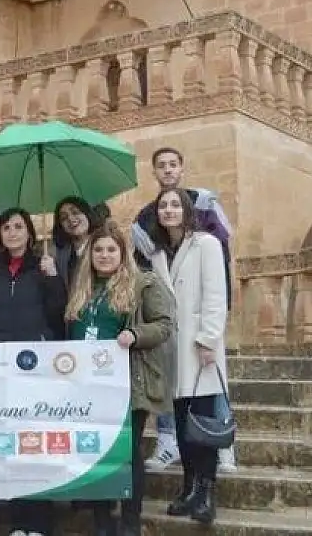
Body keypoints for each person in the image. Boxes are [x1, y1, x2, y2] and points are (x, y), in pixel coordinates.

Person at [63, 221, 174, 536]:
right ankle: (103, 521)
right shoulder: (82, 287)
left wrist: (135, 333)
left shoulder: (143, 284)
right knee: (96, 450)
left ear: (123, 253)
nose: (104, 255)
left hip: (128, 383)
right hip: (87, 386)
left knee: (127, 451)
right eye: (98, 249)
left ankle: (129, 521)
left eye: (111, 249)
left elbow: (165, 325)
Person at [130, 146, 236, 473]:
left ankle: (223, 445)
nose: (167, 170)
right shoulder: (144, 219)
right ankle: (168, 442)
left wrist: (213, 325)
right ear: (154, 172)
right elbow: (144, 268)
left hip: (202, 317)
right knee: (171, 387)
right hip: (167, 323)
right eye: (161, 165)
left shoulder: (203, 202)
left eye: (173, 164)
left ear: (182, 167)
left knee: (208, 386)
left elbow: (222, 255)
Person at [0, 208, 65, 536]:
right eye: (6, 227)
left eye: (18, 227)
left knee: (33, 443)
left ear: (30, 232)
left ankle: (34, 521)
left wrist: (52, 280)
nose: (12, 232)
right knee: (1, 441)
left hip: (33, 368)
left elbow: (57, 314)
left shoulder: (42, 267)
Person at [149, 187, 229, 525]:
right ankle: (187, 487)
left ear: (186, 209)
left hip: (200, 349)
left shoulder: (206, 244)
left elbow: (215, 293)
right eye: (163, 206)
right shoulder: (157, 254)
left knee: (203, 424)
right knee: (182, 424)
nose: (169, 210)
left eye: (174, 205)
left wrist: (209, 339)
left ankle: (206, 493)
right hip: (171, 351)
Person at [51, 196, 110, 288]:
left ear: (87, 214)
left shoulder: (105, 244)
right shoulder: (60, 255)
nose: (70, 219)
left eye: (75, 212)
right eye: (64, 218)